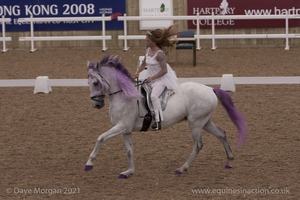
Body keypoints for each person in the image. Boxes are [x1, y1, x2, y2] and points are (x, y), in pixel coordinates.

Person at [134, 25, 179, 131]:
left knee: (154, 96)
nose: (146, 43)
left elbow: (164, 71)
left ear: (153, 41)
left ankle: (158, 121)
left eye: (147, 41)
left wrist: (152, 77)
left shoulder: (160, 54)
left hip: (161, 79)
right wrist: (137, 72)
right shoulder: (148, 50)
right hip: (151, 78)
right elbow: (144, 63)